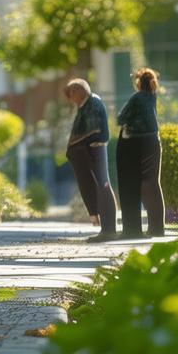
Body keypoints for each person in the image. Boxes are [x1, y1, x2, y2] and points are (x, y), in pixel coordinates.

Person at [64, 78, 118, 242]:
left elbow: (92, 130)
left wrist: (72, 144)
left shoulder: (93, 102)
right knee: (99, 185)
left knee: (103, 185)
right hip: (89, 149)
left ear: (78, 91)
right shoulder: (86, 104)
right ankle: (105, 229)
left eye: (70, 94)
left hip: (95, 148)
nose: (70, 99)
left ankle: (109, 230)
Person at [115, 67, 166, 238]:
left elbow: (120, 118)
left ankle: (133, 229)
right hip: (154, 141)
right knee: (152, 183)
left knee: (135, 185)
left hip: (136, 144)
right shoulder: (152, 97)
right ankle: (157, 228)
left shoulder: (137, 98)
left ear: (138, 82)